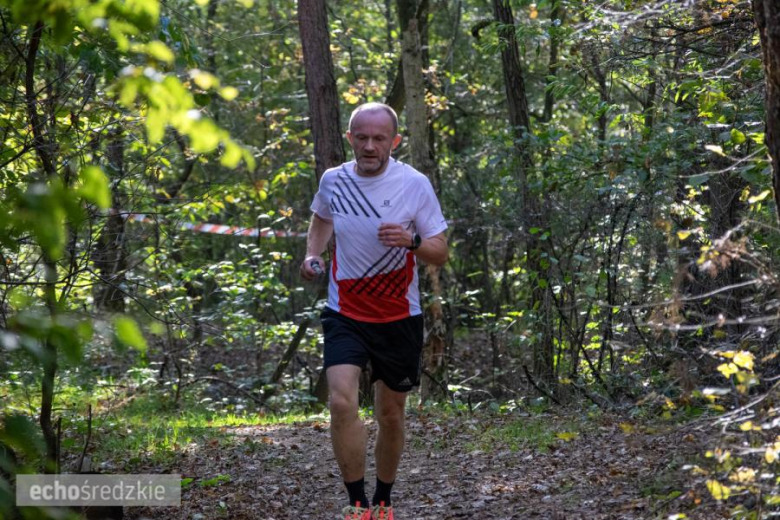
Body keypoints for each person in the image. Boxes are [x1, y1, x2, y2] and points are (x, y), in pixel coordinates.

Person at [300, 102, 448, 520]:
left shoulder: (414, 184)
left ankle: (383, 500)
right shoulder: (334, 180)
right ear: (350, 138)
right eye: (361, 137)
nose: (369, 146)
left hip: (398, 316)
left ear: (394, 141)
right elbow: (321, 218)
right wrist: (312, 254)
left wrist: (411, 241)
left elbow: (440, 252)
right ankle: (357, 505)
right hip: (345, 312)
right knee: (342, 402)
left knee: (390, 413)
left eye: (379, 138)